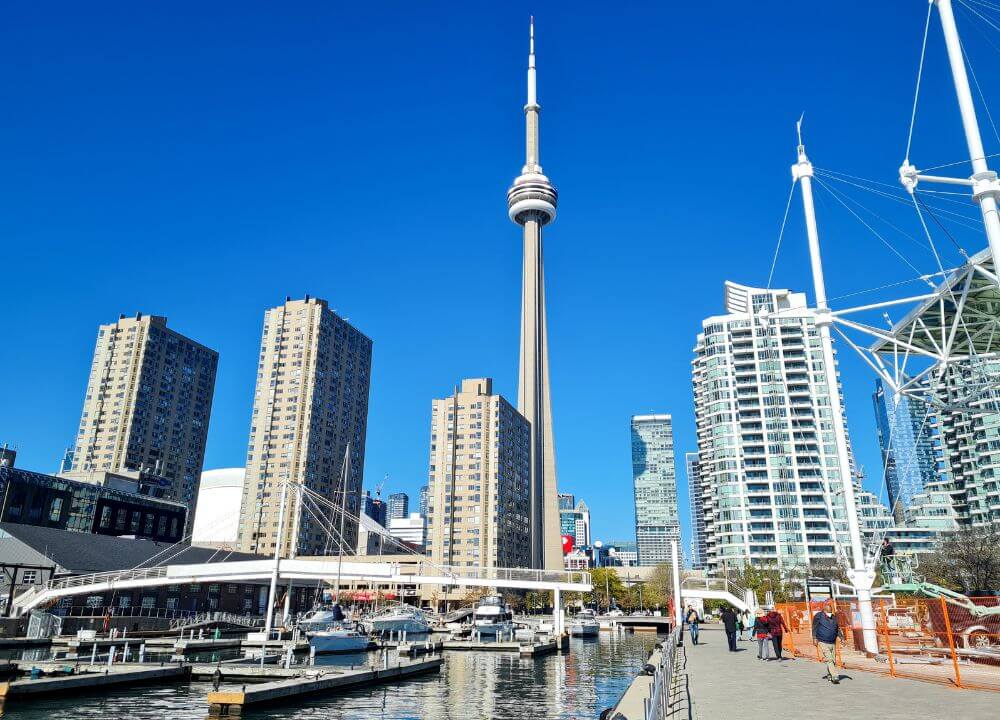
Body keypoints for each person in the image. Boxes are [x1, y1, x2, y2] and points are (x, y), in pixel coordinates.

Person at [812, 601, 845, 684]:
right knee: (829, 659)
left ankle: (829, 675)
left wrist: (841, 638)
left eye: (831, 612)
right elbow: (814, 627)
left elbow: (837, 628)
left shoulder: (833, 618)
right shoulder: (818, 616)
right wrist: (814, 638)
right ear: (824, 611)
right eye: (828, 612)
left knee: (833, 661)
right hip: (822, 641)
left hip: (832, 642)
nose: (830, 613)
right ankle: (835, 676)